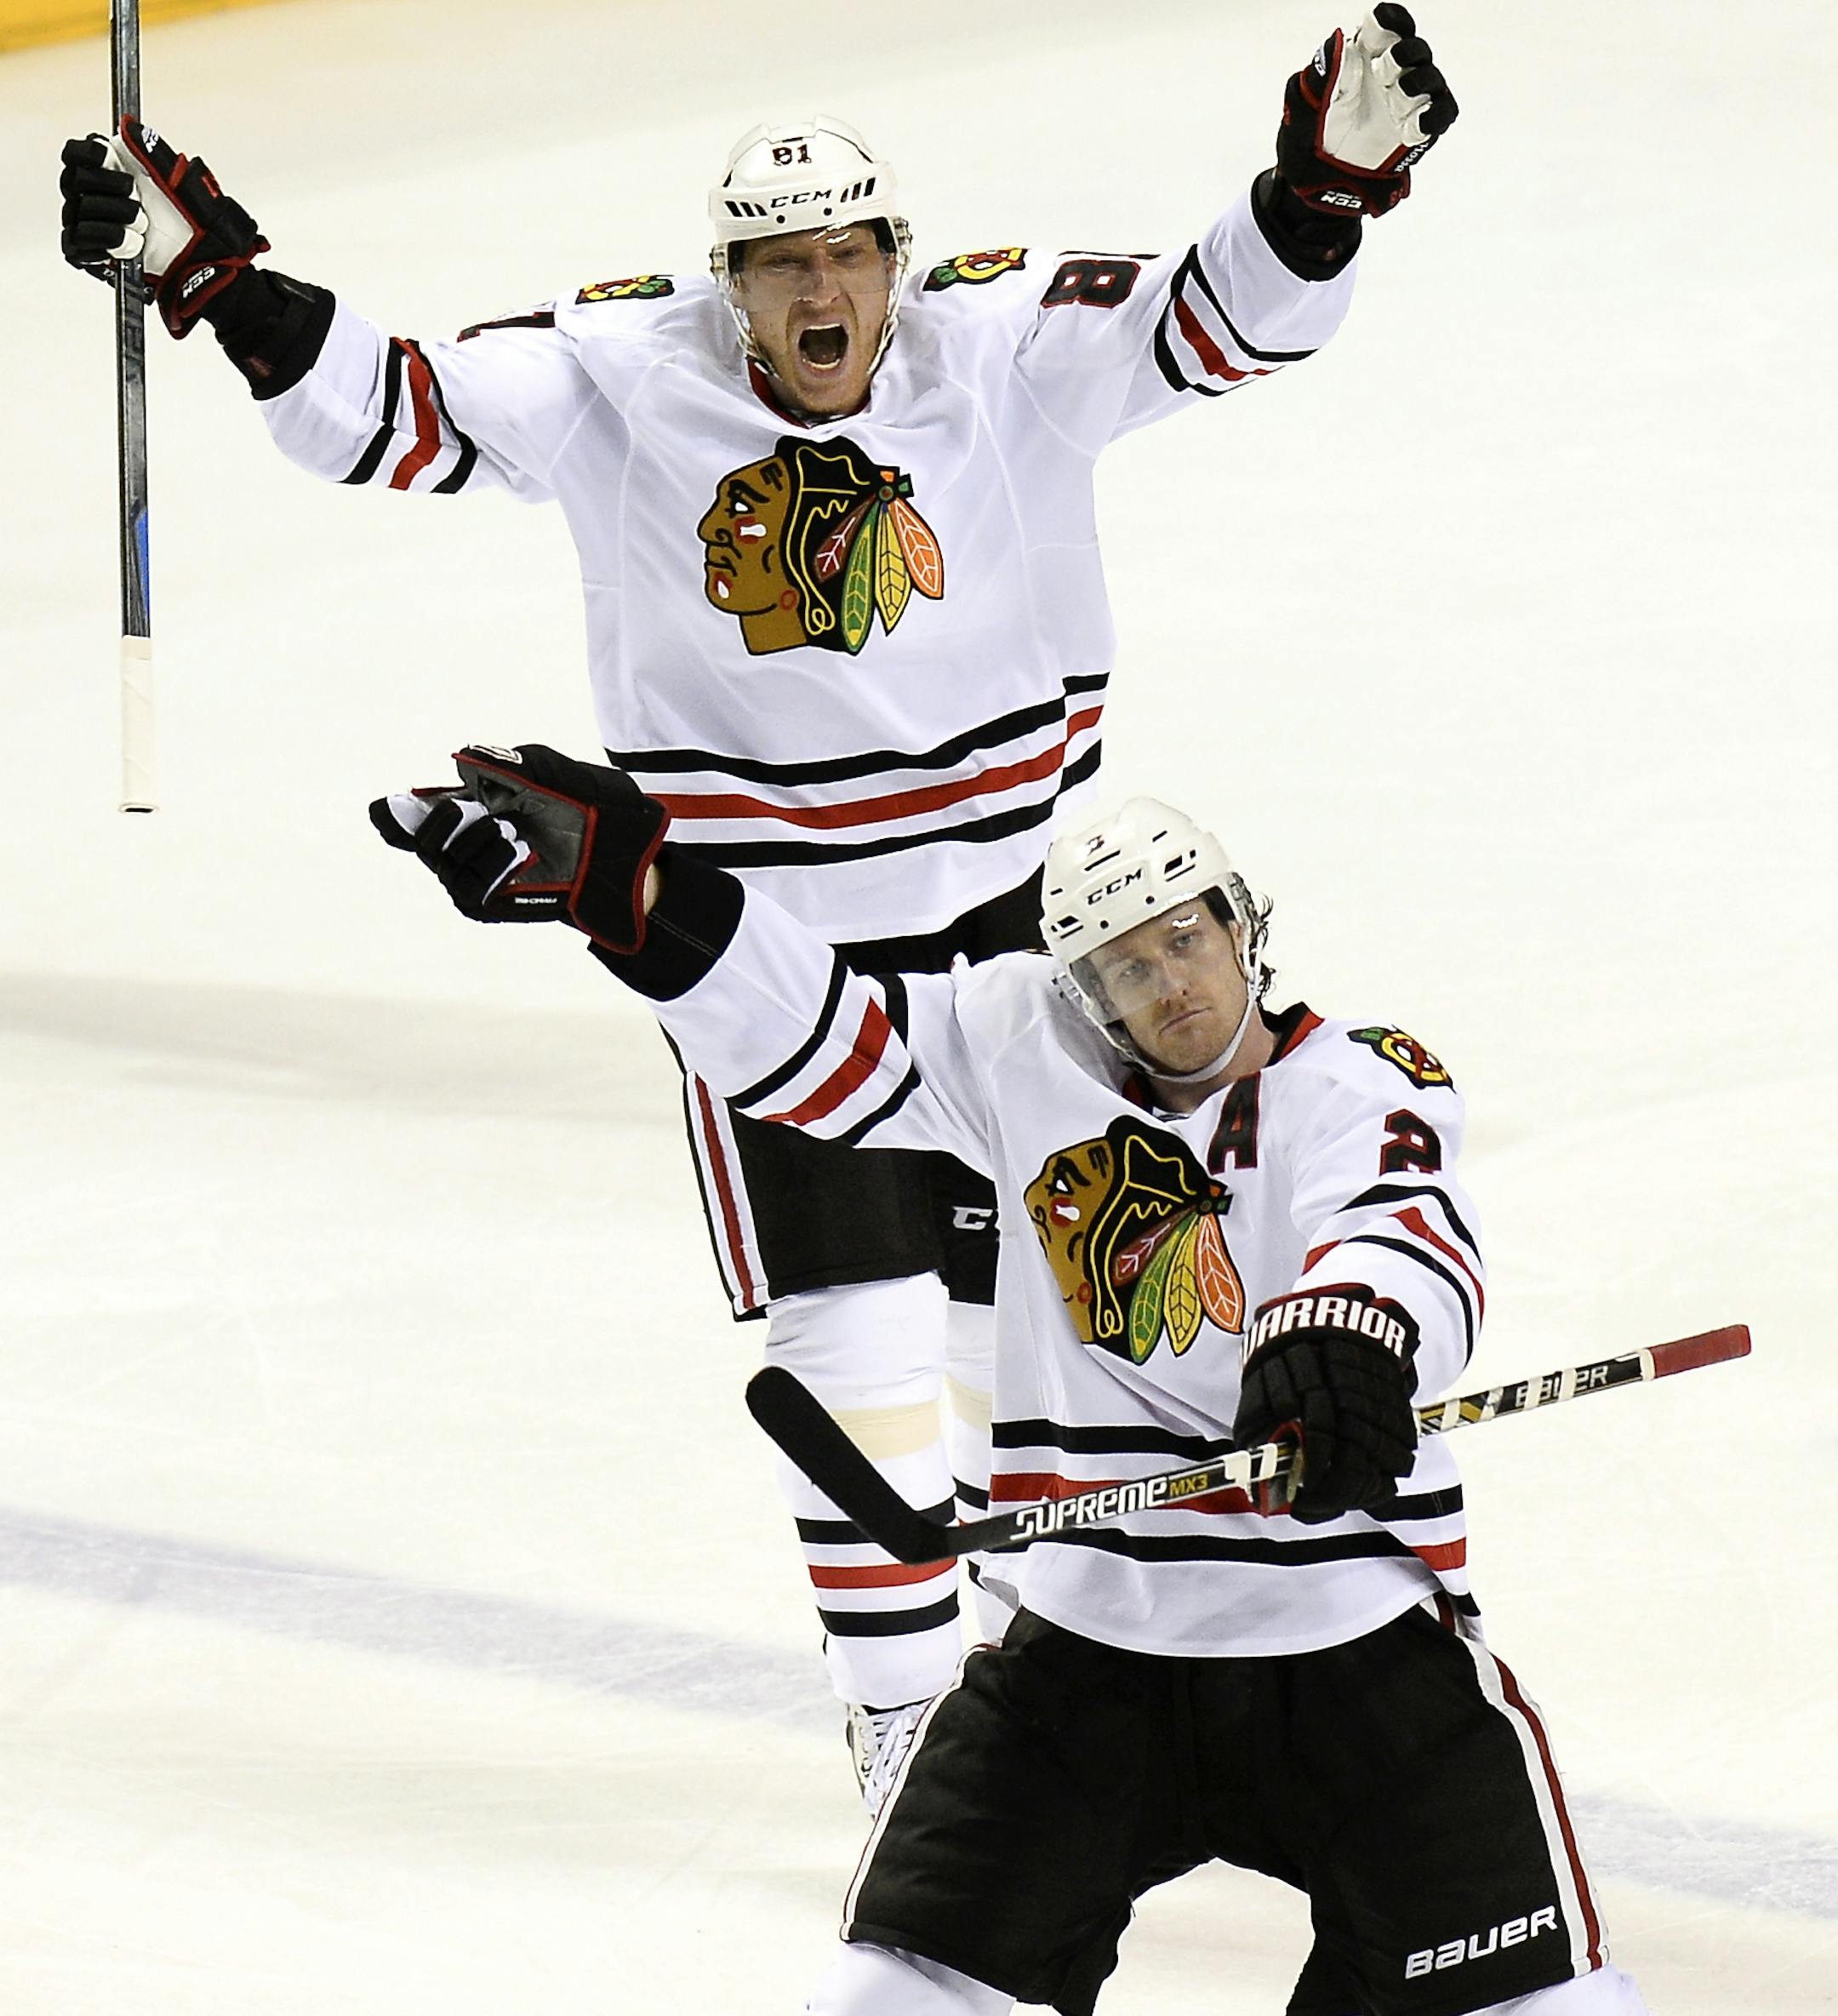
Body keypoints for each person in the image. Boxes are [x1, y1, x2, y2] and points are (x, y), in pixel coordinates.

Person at [60, 9, 1460, 1803]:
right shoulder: (620, 370)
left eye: (848, 256)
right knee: (858, 1336)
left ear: (895, 259)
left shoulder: (1003, 341)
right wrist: (210, 273)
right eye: (780, 263)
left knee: (1038, 1326)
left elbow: (1220, 319)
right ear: (730, 282)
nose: (821, 292)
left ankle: (1095, 1676)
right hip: (779, 964)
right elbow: (386, 417)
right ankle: (904, 1727)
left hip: (1031, 949)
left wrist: (1324, 193)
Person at [367, 745, 1649, 2016]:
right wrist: (642, 896)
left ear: (1240, 921)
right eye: (1127, 967)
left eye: (1185, 938)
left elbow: (1402, 1224)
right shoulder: (1024, 1047)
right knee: (891, 1999)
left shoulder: (1362, 1081)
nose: (1170, 983)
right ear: (1087, 992)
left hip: (1349, 1644)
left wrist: (1343, 1335)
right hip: (1090, 1650)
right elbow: (830, 1038)